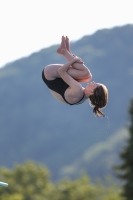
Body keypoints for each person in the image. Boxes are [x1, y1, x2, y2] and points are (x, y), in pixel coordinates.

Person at [42, 36, 108, 117]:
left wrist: (74, 60)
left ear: (92, 92)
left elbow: (61, 71)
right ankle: (65, 52)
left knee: (86, 74)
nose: (93, 82)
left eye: (95, 85)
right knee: (88, 77)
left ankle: (65, 52)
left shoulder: (78, 90)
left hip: (50, 73)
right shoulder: (82, 97)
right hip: (55, 78)